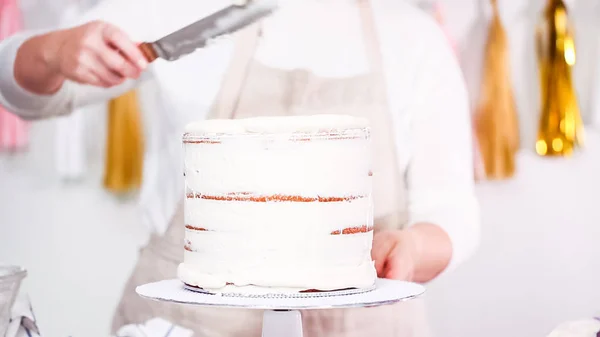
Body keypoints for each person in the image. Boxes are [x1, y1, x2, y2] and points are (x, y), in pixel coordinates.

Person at [0, 0, 481, 336]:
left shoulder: (413, 36)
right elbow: (19, 89)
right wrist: (54, 51)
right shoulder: (181, 9)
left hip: (363, 325)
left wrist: (414, 247)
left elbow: (451, 208)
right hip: (185, 323)